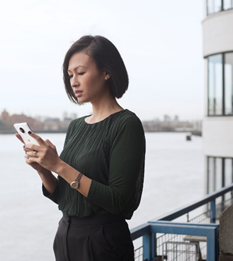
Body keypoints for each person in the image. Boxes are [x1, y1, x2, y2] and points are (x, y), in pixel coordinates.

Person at [15, 35, 145, 261]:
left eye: (81, 73)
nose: (73, 82)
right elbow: (65, 197)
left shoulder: (127, 124)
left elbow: (118, 200)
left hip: (103, 241)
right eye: (70, 75)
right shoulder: (76, 126)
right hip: (66, 235)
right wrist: (43, 168)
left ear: (106, 72)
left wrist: (58, 164)